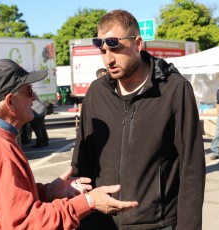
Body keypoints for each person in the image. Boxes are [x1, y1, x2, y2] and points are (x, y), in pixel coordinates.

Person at [0, 59, 138, 229]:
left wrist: (47, 191)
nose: (34, 98)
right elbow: (27, 223)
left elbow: (5, 200)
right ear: (10, 102)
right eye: (29, 91)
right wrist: (89, 202)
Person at [71, 9, 205, 230]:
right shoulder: (97, 92)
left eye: (115, 47)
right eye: (103, 50)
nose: (109, 59)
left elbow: (191, 167)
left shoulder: (174, 89)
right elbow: (82, 161)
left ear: (138, 43)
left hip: (157, 223)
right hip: (101, 221)